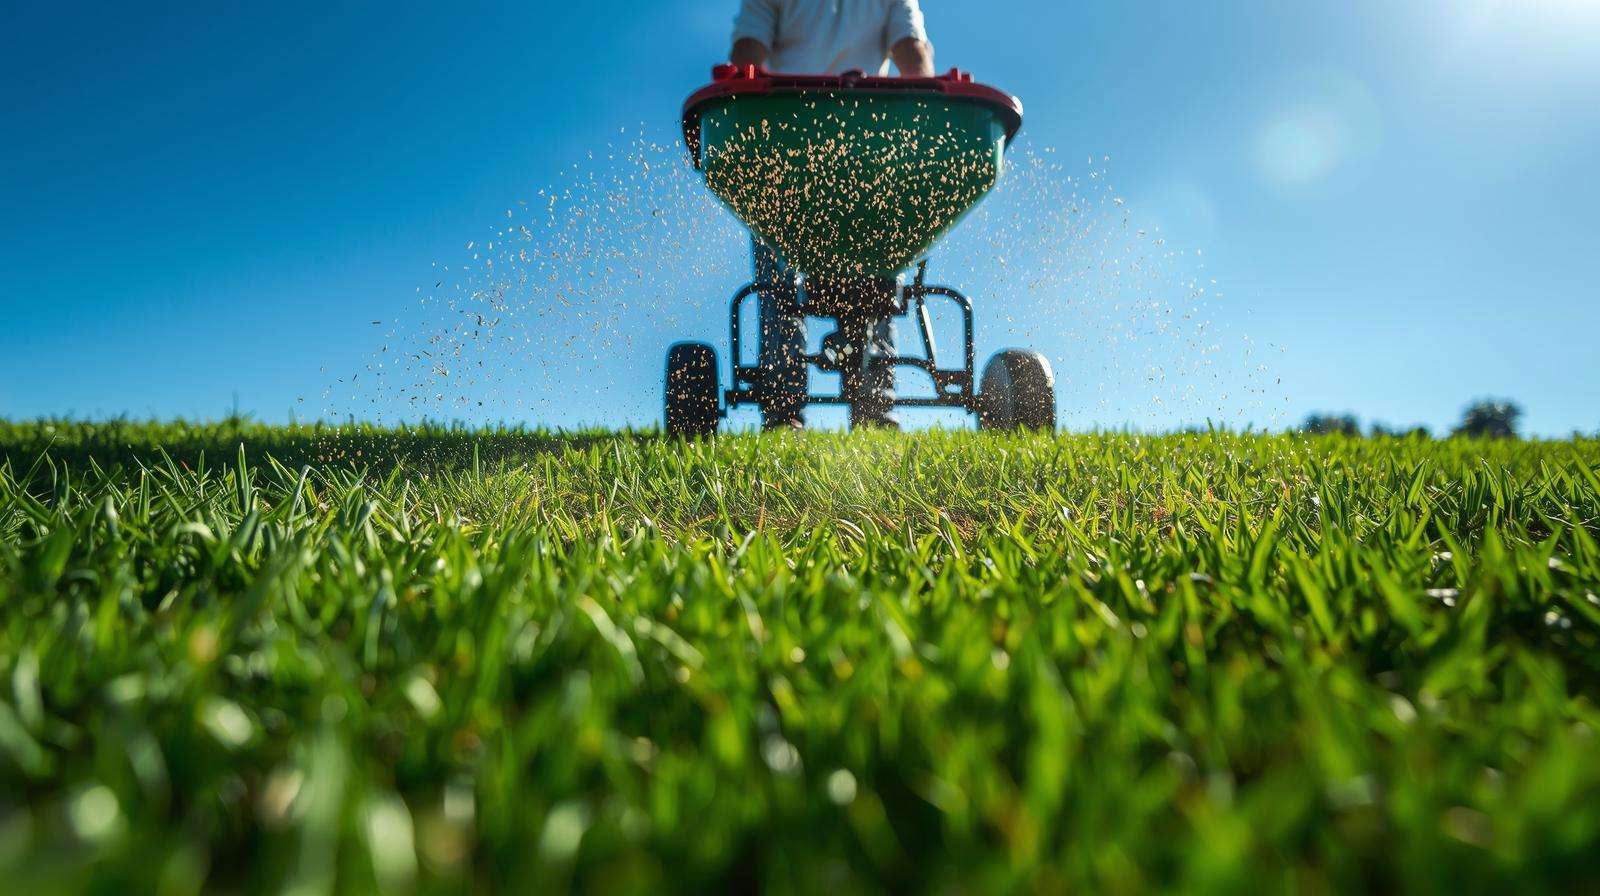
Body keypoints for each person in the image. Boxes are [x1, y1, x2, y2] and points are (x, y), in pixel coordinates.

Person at [728, 0, 935, 430]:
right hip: (869, 151)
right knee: (880, 264)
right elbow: (913, 59)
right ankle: (876, 411)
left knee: (781, 286)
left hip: (787, 149)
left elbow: (746, 59)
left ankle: (784, 415)